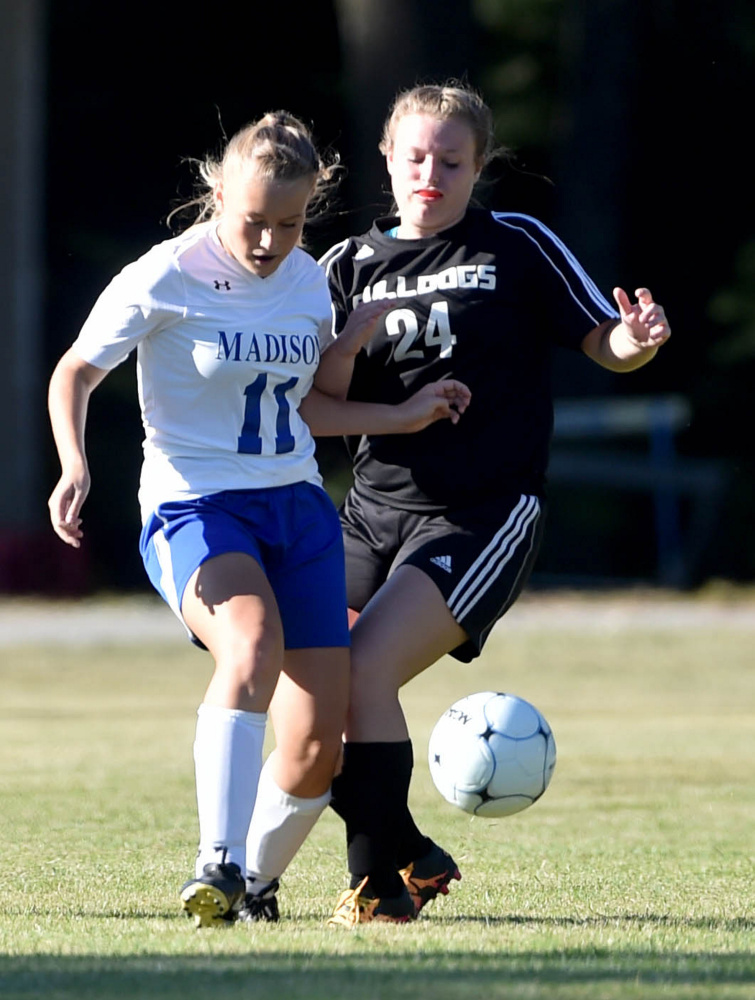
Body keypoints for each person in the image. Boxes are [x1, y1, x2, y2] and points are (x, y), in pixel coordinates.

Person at [46, 110, 471, 928]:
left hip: (298, 509)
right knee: (249, 646)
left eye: (291, 221)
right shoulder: (163, 274)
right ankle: (217, 859)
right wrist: (74, 462)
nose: (271, 240)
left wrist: (403, 413)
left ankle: (252, 891)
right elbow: (75, 371)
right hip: (195, 504)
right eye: (254, 221)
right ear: (216, 191)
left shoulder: (310, 281)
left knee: (315, 748)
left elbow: (307, 408)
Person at [307, 82, 670, 925]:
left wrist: (636, 340)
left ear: (478, 166)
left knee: (361, 671)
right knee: (293, 686)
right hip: (366, 512)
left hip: (479, 516)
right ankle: (408, 846)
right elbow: (311, 402)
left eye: (451, 160)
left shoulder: (515, 243)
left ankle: (380, 894)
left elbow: (603, 342)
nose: (430, 174)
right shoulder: (341, 267)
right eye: (415, 157)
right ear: (387, 159)